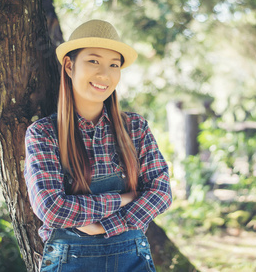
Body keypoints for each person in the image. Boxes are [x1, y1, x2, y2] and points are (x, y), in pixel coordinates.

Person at [24, 19, 173, 272]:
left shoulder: (135, 128)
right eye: (94, 61)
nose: (105, 74)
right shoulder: (43, 134)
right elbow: (52, 209)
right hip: (67, 262)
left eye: (114, 65)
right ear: (70, 66)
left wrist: (104, 226)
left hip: (132, 261)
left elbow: (161, 193)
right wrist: (125, 198)